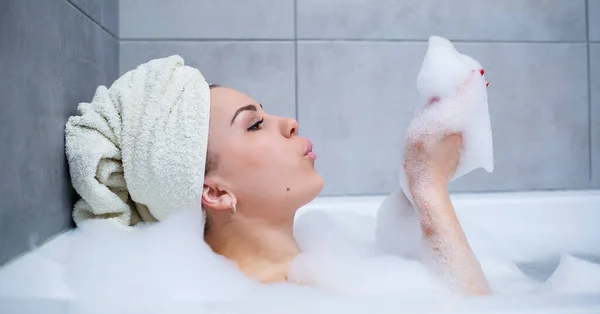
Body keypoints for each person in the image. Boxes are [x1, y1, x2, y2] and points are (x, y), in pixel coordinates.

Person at [65, 56, 490, 297]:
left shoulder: (329, 264)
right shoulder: (265, 309)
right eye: (254, 124)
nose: (288, 122)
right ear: (213, 191)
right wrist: (428, 187)